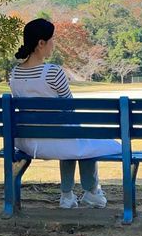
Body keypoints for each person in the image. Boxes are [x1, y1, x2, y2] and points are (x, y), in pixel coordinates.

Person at [9, 18, 120, 209]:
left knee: (72, 137)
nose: (54, 44)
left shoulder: (14, 74)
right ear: (41, 43)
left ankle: (67, 196)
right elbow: (69, 107)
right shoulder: (53, 72)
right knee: (82, 138)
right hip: (56, 140)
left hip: (28, 141)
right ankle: (91, 191)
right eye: (51, 40)